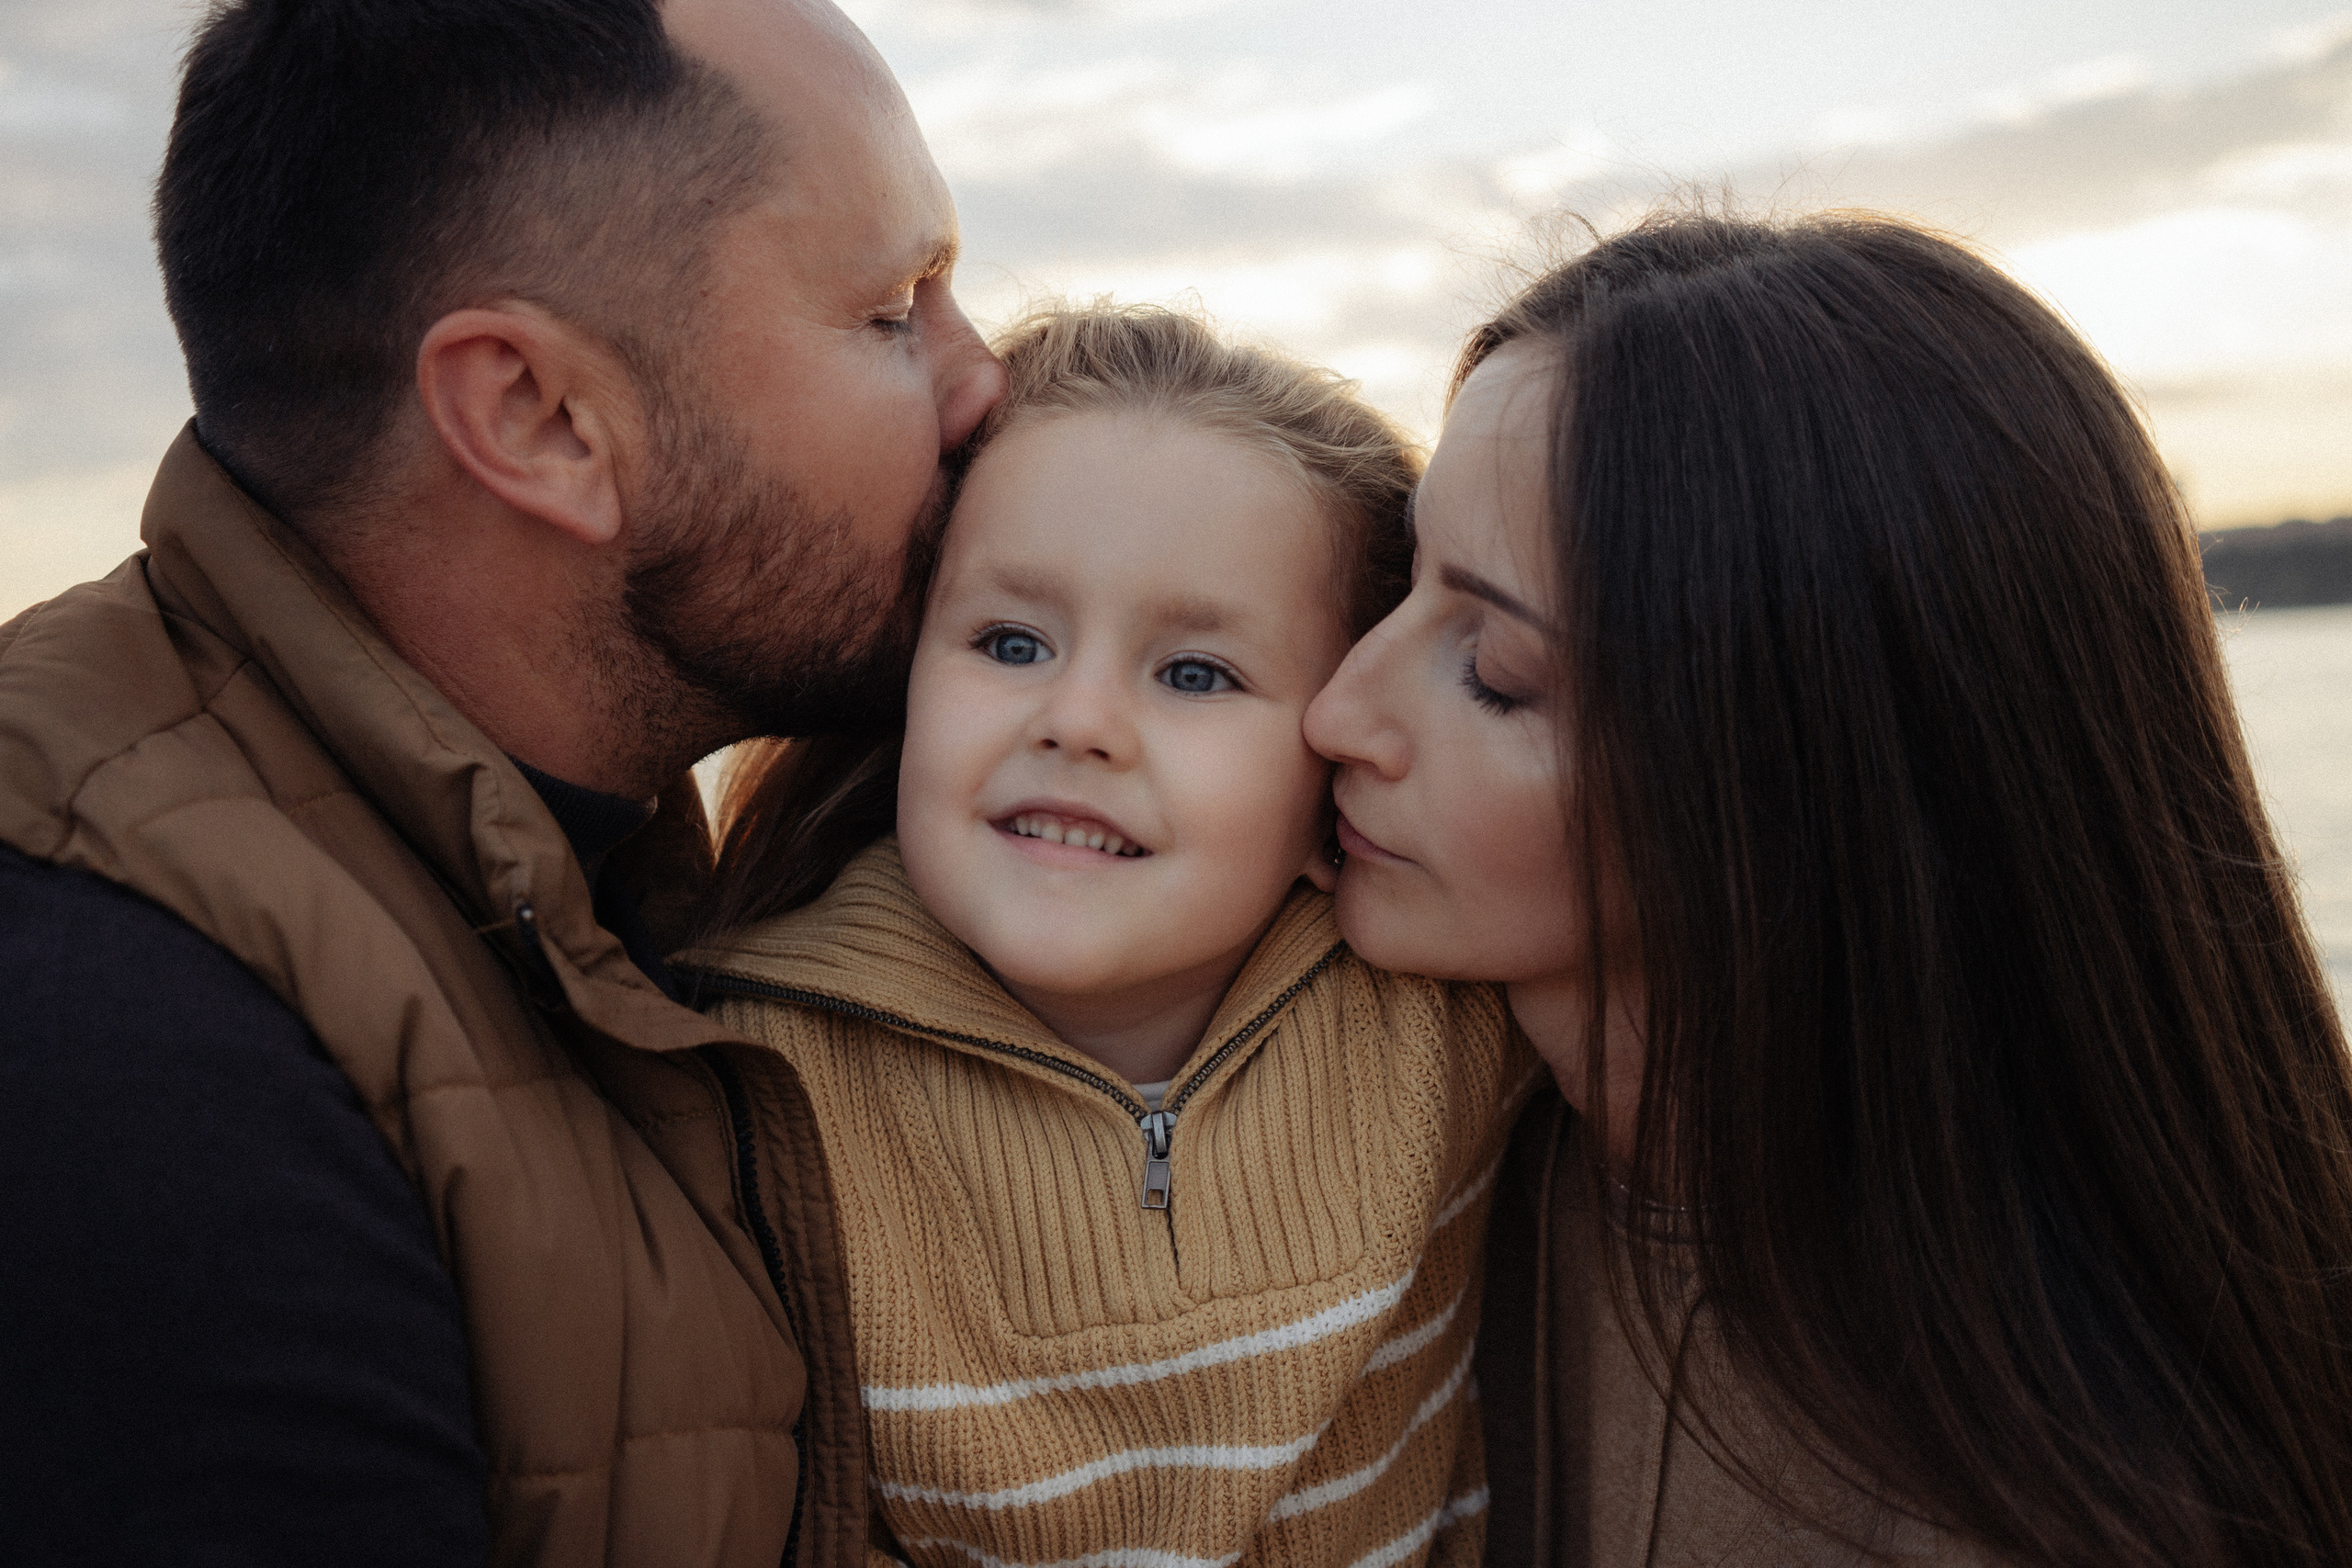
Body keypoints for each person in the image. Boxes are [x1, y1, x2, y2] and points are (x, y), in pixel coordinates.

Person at [0, 0, 1003, 1562]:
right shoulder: (127, 1044)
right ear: (539, 418)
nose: (981, 381)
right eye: (891, 313)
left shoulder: (600, 865)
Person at [1303, 211, 2352, 1566]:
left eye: (1494, 672)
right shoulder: (1366, 1145)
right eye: (1398, 587)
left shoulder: (2049, 1507)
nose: (1337, 712)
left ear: (1805, 778)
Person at [673, 304, 1530, 1567]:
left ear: (1339, 767)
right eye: (1011, 643)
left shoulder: (1447, 1016)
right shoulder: (740, 1086)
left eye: (1194, 674)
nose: (1077, 720)